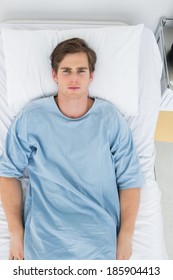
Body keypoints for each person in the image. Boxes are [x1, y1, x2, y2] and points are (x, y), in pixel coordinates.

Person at [0, 38, 143, 260]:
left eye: (81, 71)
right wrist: (16, 233)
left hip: (98, 241)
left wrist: (126, 236)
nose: (74, 78)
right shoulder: (32, 117)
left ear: (91, 76)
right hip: (44, 242)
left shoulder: (110, 119)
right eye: (66, 71)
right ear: (54, 75)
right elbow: (8, 172)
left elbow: (130, 180)